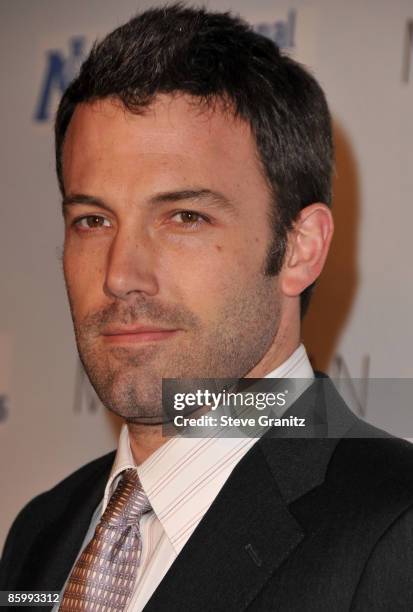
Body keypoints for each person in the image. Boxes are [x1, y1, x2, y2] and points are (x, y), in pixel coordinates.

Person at [1, 4, 413, 611]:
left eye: (184, 217)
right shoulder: (41, 532)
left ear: (299, 249)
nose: (120, 275)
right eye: (93, 220)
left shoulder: (395, 531)